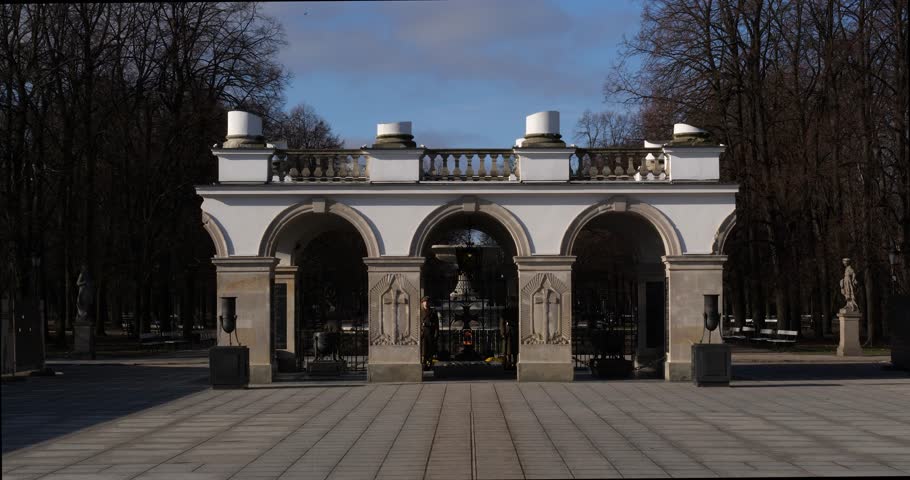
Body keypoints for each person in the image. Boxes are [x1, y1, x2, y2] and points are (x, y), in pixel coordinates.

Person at [499, 296, 519, 370]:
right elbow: (502, 322)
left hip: (515, 331)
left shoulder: (517, 310)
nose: (513, 303)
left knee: (515, 349)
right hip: (508, 331)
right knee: (507, 349)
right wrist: (503, 332)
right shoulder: (506, 310)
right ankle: (508, 363)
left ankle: (514, 363)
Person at [420, 296, 439, 370]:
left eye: (427, 302)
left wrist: (436, 333)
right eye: (425, 302)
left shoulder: (433, 311)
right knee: (423, 350)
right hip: (423, 333)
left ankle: (429, 364)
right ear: (422, 303)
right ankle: (423, 364)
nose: (426, 303)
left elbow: (437, 324)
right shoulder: (420, 311)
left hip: (431, 332)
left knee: (430, 350)